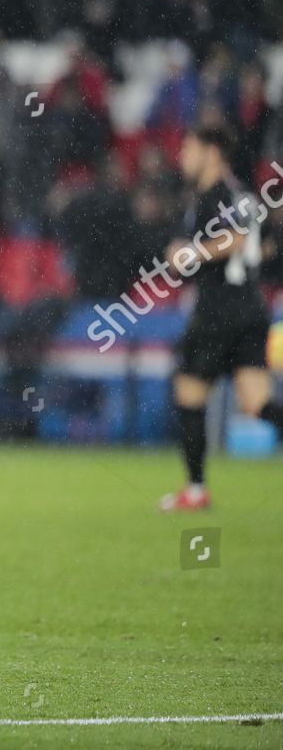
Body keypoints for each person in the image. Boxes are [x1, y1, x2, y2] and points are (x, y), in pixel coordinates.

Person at [158, 124, 283, 512]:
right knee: (257, 403)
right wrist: (185, 256)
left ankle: (195, 491)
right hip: (250, 310)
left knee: (188, 393)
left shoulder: (219, 193)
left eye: (189, 148)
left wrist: (191, 253)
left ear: (212, 153)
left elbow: (236, 239)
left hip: (220, 314)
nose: (182, 157)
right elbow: (264, 246)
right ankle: (194, 489)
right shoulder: (241, 194)